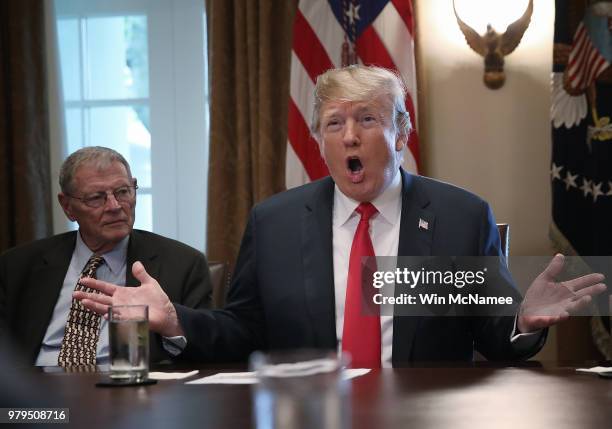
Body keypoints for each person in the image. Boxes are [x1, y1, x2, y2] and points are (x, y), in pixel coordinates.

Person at [74, 66, 606, 367]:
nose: (349, 136)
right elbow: (244, 331)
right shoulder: (275, 223)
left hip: (423, 417)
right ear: (318, 141)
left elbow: (492, 337)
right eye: (333, 123)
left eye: (367, 120)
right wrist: (175, 322)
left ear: (400, 133)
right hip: (308, 415)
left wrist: (520, 318)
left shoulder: (458, 215)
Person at [0, 146, 212, 367]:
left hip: (130, 389)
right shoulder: (17, 266)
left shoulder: (183, 264)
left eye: (123, 191)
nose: (115, 206)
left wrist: (171, 325)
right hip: (36, 392)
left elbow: (206, 352)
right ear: (67, 206)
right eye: (96, 198)